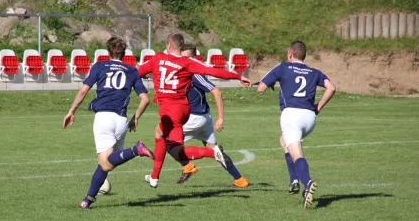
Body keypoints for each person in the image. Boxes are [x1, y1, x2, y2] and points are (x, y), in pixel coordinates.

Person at [137, 33, 252, 189]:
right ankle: (239, 179)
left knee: (172, 146)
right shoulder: (189, 65)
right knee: (161, 134)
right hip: (201, 116)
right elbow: (214, 72)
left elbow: (137, 73)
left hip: (185, 115)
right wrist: (238, 77)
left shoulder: (159, 59)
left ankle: (183, 167)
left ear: (168, 45)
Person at [63, 37, 154, 209]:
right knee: (106, 164)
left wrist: (71, 111)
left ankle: (136, 149)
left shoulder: (99, 66)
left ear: (108, 52)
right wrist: (135, 118)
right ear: (124, 53)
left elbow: (83, 91)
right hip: (121, 120)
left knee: (105, 163)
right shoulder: (132, 70)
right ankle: (87, 200)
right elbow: (145, 99)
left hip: (104, 117)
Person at [257, 40, 336, 209]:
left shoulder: (283, 67)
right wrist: (319, 106)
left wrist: (271, 83)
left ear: (290, 54)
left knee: (297, 154)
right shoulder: (314, 71)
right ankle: (294, 181)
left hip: (291, 115)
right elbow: (331, 88)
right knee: (283, 141)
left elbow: (260, 88)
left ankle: (307, 183)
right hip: (309, 118)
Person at [168, 44, 250, 188]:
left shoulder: (194, 74)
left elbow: (217, 92)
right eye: (182, 57)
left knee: (167, 143)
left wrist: (221, 118)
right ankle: (240, 179)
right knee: (215, 149)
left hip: (193, 118)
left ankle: (188, 166)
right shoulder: (186, 70)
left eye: (187, 57)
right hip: (203, 118)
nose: (184, 60)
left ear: (194, 58)